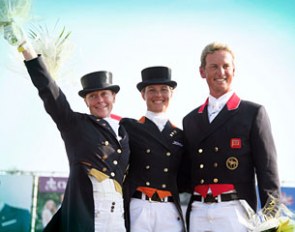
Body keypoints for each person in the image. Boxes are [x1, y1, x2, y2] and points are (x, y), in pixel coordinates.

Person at [3, 22, 130, 232]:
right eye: (92, 96)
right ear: (86, 101)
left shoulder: (125, 130)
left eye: (104, 94)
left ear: (113, 96)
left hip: (118, 219)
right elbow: (50, 91)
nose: (99, 100)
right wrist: (26, 49)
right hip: (88, 216)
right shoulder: (74, 124)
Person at [182, 42, 281, 231]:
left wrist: (271, 219)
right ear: (202, 72)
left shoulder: (252, 113)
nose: (221, 72)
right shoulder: (190, 119)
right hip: (198, 210)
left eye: (226, 66)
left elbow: (267, 172)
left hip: (235, 211)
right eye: (214, 66)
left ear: (234, 70)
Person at [120, 66, 187, 232]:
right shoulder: (130, 127)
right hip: (139, 207)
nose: (158, 95)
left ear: (172, 94)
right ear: (143, 94)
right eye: (152, 90)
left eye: (164, 89)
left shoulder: (180, 135)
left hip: (169, 210)